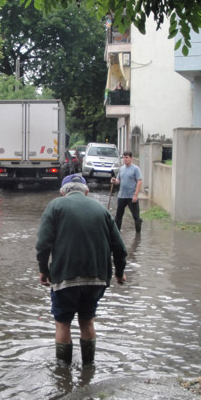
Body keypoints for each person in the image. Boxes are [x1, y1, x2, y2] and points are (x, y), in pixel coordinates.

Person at [36, 174, 127, 366]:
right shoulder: (102, 210)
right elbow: (120, 248)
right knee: (87, 321)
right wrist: (119, 273)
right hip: (97, 279)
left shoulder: (55, 206)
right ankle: (88, 368)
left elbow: (43, 244)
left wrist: (43, 270)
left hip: (65, 278)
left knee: (63, 323)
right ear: (86, 192)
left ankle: (63, 374)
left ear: (62, 192)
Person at [111, 151, 143, 233]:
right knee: (118, 216)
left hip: (131, 196)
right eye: (124, 158)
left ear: (131, 158)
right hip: (121, 196)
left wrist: (136, 195)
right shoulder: (121, 169)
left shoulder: (135, 169)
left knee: (136, 216)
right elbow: (118, 181)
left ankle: (138, 234)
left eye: (127, 157)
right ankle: (117, 233)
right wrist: (114, 181)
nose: (125, 159)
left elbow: (139, 181)